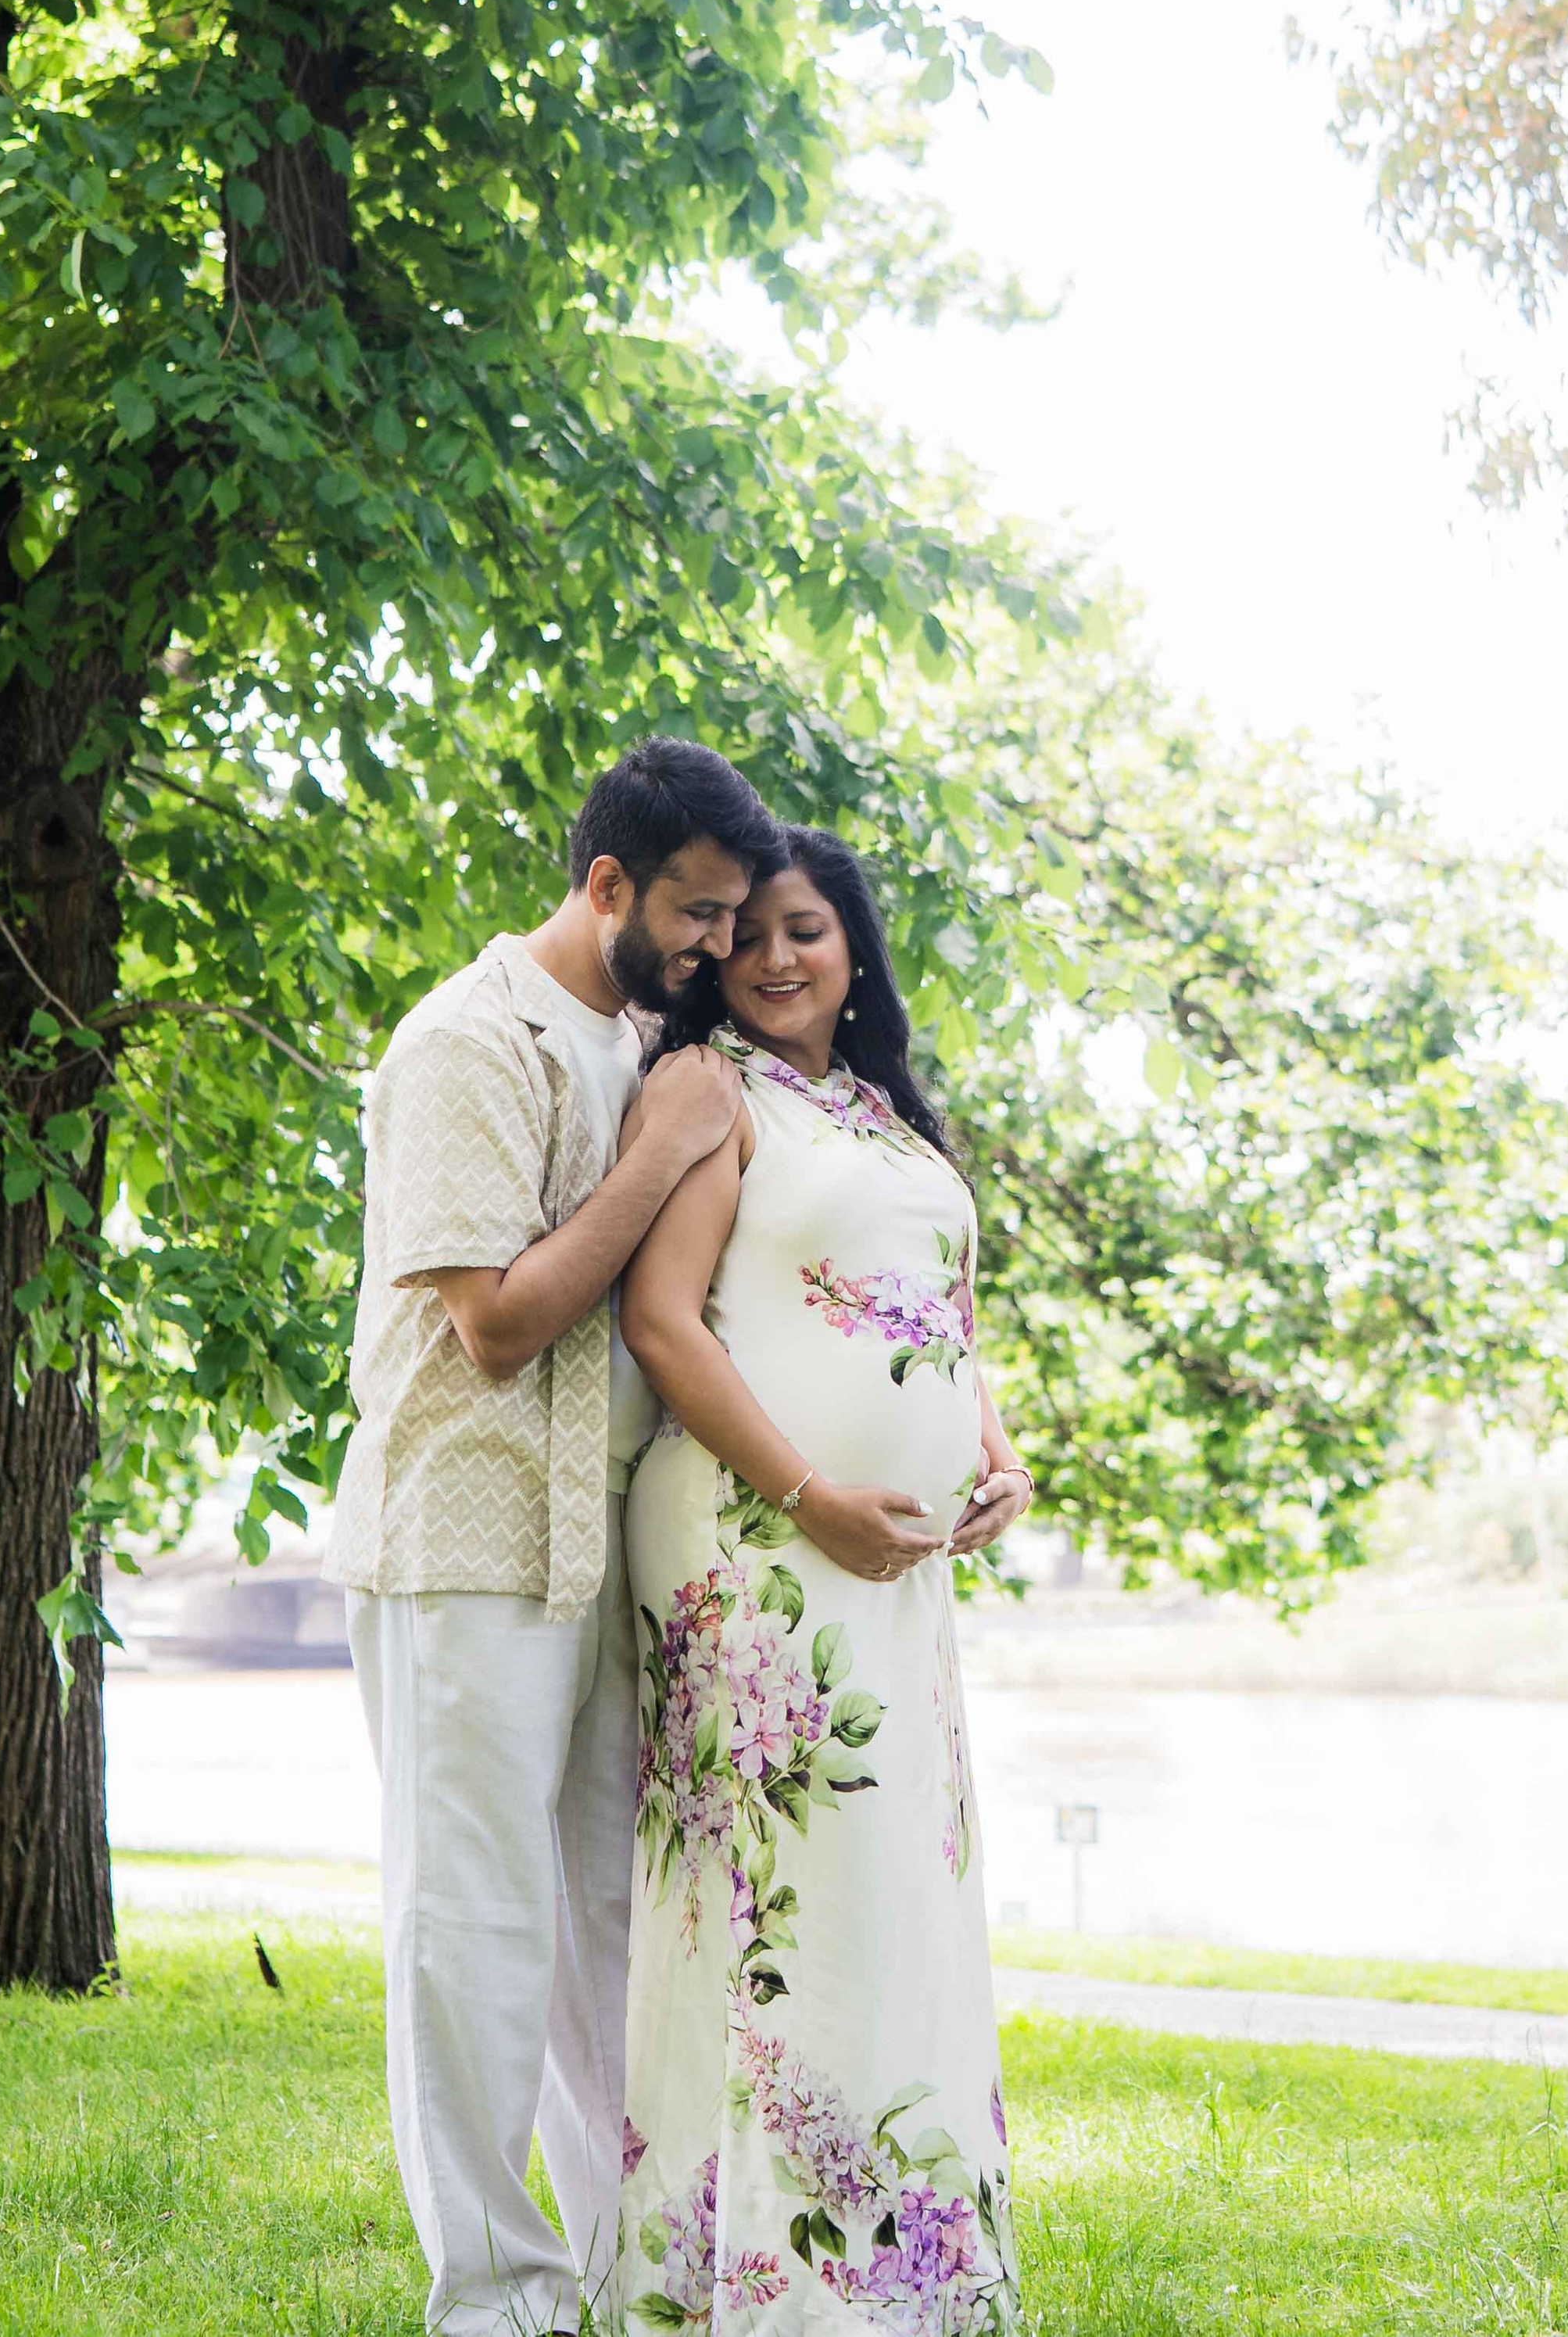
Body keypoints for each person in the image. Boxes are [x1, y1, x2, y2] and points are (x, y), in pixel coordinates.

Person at [323, 738, 785, 2337]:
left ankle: (624, 2272)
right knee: (471, 1931)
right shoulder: (465, 1040)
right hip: (463, 1539)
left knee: (610, 1921)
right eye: (699, 912)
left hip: (607, 1545)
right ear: (606, 884)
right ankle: (495, 2301)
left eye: (732, 916)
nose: (720, 945)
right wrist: (653, 1150)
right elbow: (499, 1325)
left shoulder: (659, 1036)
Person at [610, 826, 1034, 2333]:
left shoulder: (886, 1117)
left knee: (891, 1900)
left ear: (855, 947)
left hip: (889, 1572)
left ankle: (892, 2277)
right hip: (755, 1549)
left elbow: (941, 1313)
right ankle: (752, 2292)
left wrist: (991, 1448)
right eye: (751, 937)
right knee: (780, 1911)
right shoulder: (713, 1093)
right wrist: (808, 1495)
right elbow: (667, 1325)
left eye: (809, 931)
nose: (779, 958)